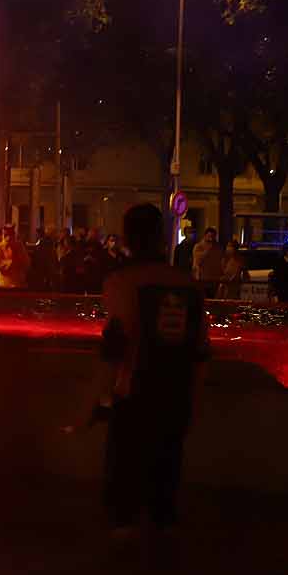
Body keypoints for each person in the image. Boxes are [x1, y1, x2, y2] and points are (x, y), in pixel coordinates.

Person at [88, 202, 209, 538]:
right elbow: (200, 353)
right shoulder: (188, 285)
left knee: (122, 505)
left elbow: (114, 349)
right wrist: (193, 408)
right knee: (163, 502)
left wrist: (91, 404)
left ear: (127, 238)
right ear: (161, 237)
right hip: (175, 400)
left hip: (134, 400)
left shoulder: (122, 282)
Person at [191, 227, 223, 296]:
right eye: (209, 236)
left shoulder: (218, 247)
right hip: (203, 278)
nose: (211, 239)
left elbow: (220, 261)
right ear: (205, 236)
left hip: (215, 278)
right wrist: (207, 250)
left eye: (213, 236)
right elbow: (197, 261)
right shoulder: (199, 246)